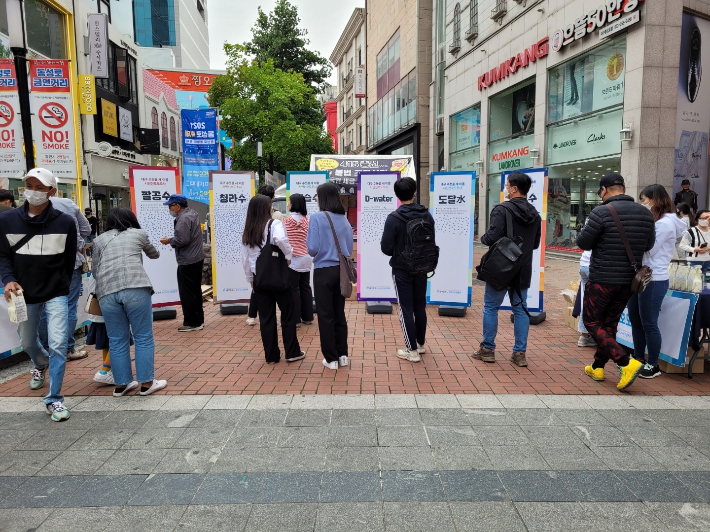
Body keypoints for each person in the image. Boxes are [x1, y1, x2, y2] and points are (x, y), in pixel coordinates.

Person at [0, 168, 77, 421]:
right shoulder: (7, 220)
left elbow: (68, 260)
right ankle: (40, 364)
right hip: (24, 294)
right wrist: (9, 280)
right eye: (29, 185)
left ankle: (54, 399)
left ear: (51, 192)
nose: (32, 191)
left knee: (58, 344)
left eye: (39, 187)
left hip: (56, 292)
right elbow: (3, 256)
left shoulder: (65, 222)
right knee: (28, 342)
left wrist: (62, 284)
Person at [576, 173, 655, 391]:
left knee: (592, 322)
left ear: (604, 190)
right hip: (629, 281)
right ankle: (597, 366)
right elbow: (649, 244)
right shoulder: (645, 213)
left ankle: (625, 362)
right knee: (609, 323)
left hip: (602, 279)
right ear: (623, 187)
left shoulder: (601, 212)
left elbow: (584, 242)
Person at [93, 207, 166, 397]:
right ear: (131, 219)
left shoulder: (100, 240)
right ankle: (146, 384)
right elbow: (154, 254)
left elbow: (95, 270)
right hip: (135, 287)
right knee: (143, 336)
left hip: (107, 292)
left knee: (117, 340)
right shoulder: (139, 234)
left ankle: (121, 385)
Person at [471, 172, 541, 367]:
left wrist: (483, 239)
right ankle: (519, 353)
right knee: (521, 309)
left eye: (507, 185)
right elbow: (535, 244)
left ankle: (487, 349)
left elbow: (491, 237)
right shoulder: (535, 213)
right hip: (523, 267)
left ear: (514, 188)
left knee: (491, 307)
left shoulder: (502, 210)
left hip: (501, 268)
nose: (505, 188)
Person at [628, 185, 686, 380]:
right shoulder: (656, 221)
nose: (643, 204)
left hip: (654, 279)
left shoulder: (665, 224)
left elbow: (649, 250)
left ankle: (653, 364)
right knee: (636, 320)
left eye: (645, 200)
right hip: (640, 277)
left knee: (649, 323)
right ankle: (637, 358)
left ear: (656, 200)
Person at [241, 195, 304, 364]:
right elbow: (281, 239)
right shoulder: (274, 224)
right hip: (278, 276)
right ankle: (292, 352)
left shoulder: (249, 229)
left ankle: (271, 356)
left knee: (266, 318)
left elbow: (245, 259)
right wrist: (289, 255)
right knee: (288, 315)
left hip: (259, 279)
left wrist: (250, 279)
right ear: (266, 208)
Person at [381, 176, 435, 363]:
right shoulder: (426, 215)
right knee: (420, 306)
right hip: (422, 267)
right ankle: (420, 344)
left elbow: (386, 248)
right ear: (414, 193)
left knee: (406, 309)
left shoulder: (394, 218)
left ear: (396, 195)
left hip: (402, 269)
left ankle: (410, 350)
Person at [307, 182, 354, 370]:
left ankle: (331, 358)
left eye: (317, 196)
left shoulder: (317, 218)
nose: (316, 199)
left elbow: (312, 248)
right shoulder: (343, 219)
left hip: (323, 271)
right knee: (339, 313)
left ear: (323, 197)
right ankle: (343, 355)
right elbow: (349, 249)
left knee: (325, 315)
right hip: (341, 271)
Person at [40, 196, 91, 361]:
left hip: (42, 264)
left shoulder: (30, 206)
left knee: (43, 307)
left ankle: (45, 348)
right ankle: (67, 349)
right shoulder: (67, 203)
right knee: (68, 306)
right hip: (70, 262)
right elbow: (86, 229)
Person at [160, 194, 205, 332]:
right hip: (196, 257)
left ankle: (191, 322)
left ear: (178, 206)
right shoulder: (192, 213)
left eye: (171, 206)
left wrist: (169, 241)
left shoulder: (183, 219)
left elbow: (182, 240)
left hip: (188, 260)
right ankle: (198, 320)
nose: (170, 208)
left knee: (187, 293)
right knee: (195, 290)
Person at [246, 184, 284, 326]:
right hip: (274, 262)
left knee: (258, 291)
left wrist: (249, 275)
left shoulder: (252, 219)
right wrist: (288, 256)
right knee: (282, 299)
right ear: (273, 198)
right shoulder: (277, 217)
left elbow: (246, 251)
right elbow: (280, 240)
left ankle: (251, 315)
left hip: (256, 266)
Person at [283, 193, 314, 327]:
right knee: (305, 287)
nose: (288, 204)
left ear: (294, 203)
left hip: (293, 259)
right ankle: (307, 317)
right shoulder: (308, 221)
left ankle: (295, 320)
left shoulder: (286, 221)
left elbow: (283, 240)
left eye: (289, 201)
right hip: (306, 257)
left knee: (293, 288)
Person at [577, 250, 596, 347]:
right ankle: (594, 335)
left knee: (586, 301)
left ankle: (584, 336)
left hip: (584, 263)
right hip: (594, 265)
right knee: (597, 302)